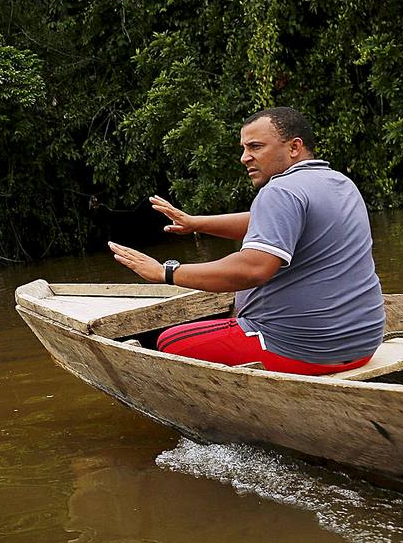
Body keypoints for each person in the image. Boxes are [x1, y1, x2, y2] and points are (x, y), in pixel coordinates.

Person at [108, 106, 384, 375]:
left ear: (294, 147)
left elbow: (253, 268)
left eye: (255, 147)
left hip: (306, 350)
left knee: (169, 340)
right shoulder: (338, 182)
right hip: (363, 343)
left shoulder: (281, 191)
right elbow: (264, 221)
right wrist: (196, 223)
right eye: (244, 148)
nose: (244, 157)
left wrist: (165, 272)